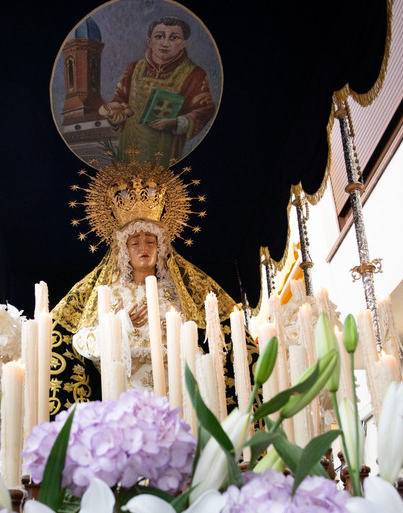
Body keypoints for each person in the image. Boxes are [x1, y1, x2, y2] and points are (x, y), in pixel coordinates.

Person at [49, 159, 258, 417]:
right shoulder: (110, 292)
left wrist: (177, 337)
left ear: (161, 248)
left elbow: (204, 345)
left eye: (150, 241)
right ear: (124, 251)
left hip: (178, 394)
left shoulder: (178, 291)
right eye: (135, 243)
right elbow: (83, 342)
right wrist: (120, 325)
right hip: (126, 397)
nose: (144, 248)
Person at [99, 16, 216, 166]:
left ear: (184, 43)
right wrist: (115, 116)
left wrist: (175, 122)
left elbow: (205, 109)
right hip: (129, 147)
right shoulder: (134, 68)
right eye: (159, 36)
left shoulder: (194, 74)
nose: (165, 43)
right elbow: (120, 99)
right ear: (150, 41)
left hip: (165, 150)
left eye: (174, 38)